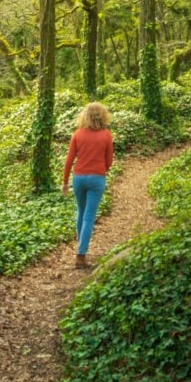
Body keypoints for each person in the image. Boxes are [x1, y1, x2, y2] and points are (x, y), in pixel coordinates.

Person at [62, 102, 114, 268]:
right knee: (89, 216)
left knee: (81, 212)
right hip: (97, 178)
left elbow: (69, 160)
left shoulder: (77, 134)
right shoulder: (106, 135)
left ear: (85, 116)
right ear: (103, 116)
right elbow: (109, 161)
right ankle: (81, 255)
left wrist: (65, 182)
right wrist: (100, 170)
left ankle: (81, 246)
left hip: (78, 178)